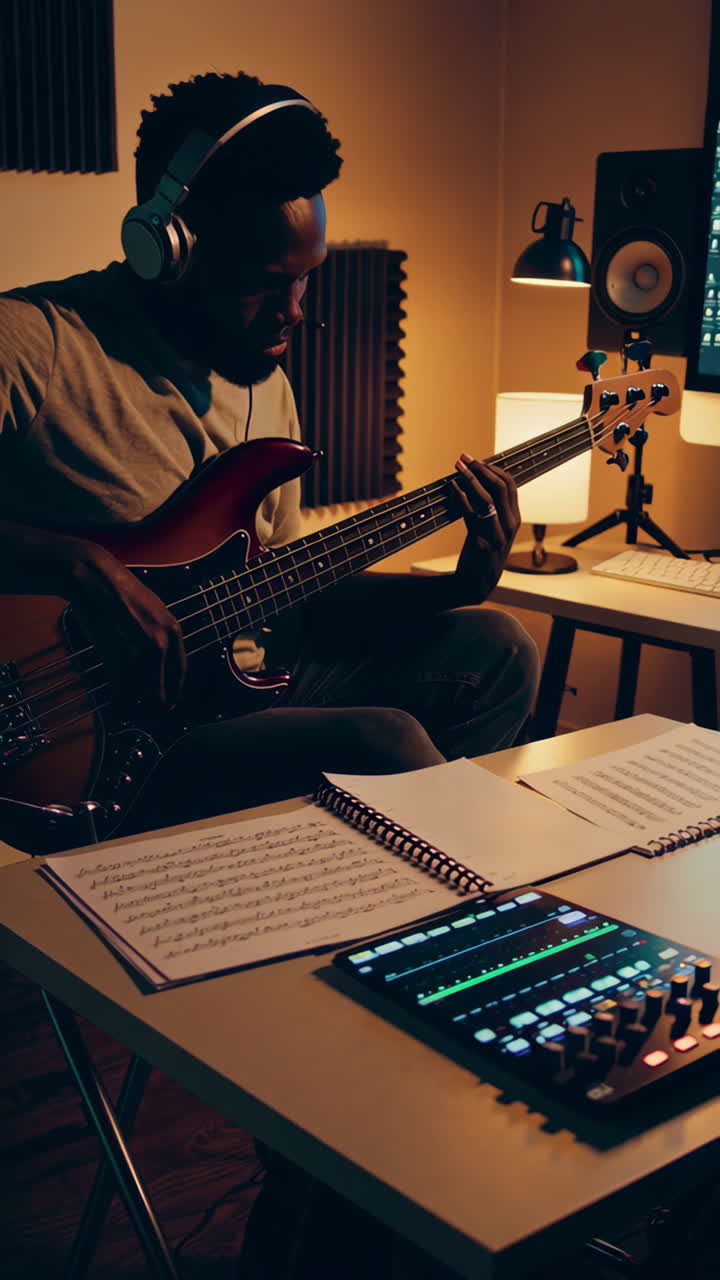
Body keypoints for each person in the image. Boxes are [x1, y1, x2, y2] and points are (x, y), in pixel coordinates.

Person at [0, 70, 539, 1277]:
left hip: (228, 707)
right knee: (387, 747)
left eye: (304, 285)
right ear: (161, 243)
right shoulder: (33, 344)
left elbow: (278, 603)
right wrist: (75, 563)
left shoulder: (268, 387)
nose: (289, 316)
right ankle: (352, 1137)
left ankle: (381, 1008)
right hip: (88, 751)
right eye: (258, 286)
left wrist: (452, 581)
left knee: (493, 648)